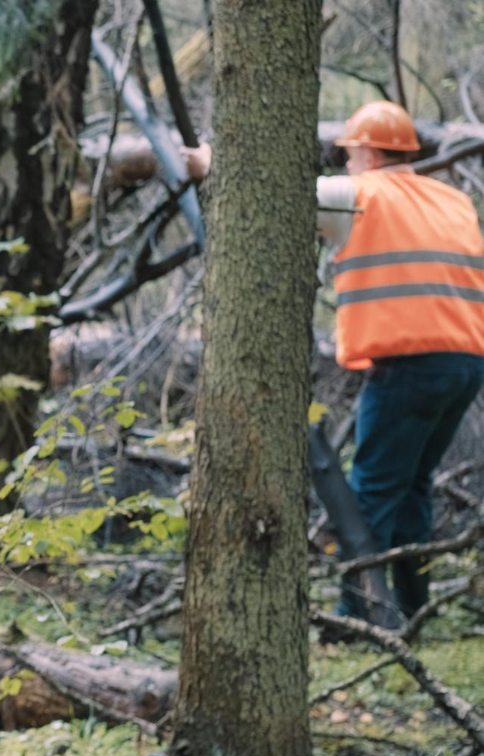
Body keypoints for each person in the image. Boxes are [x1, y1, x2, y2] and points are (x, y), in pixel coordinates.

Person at [183, 101, 484, 622]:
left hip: (407, 366)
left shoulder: (356, 195)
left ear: (366, 153)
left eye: (349, 154)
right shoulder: (451, 200)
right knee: (412, 484)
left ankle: (358, 613)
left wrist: (208, 163)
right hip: (467, 363)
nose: (346, 163)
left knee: (373, 487)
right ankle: (416, 606)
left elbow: (270, 191)